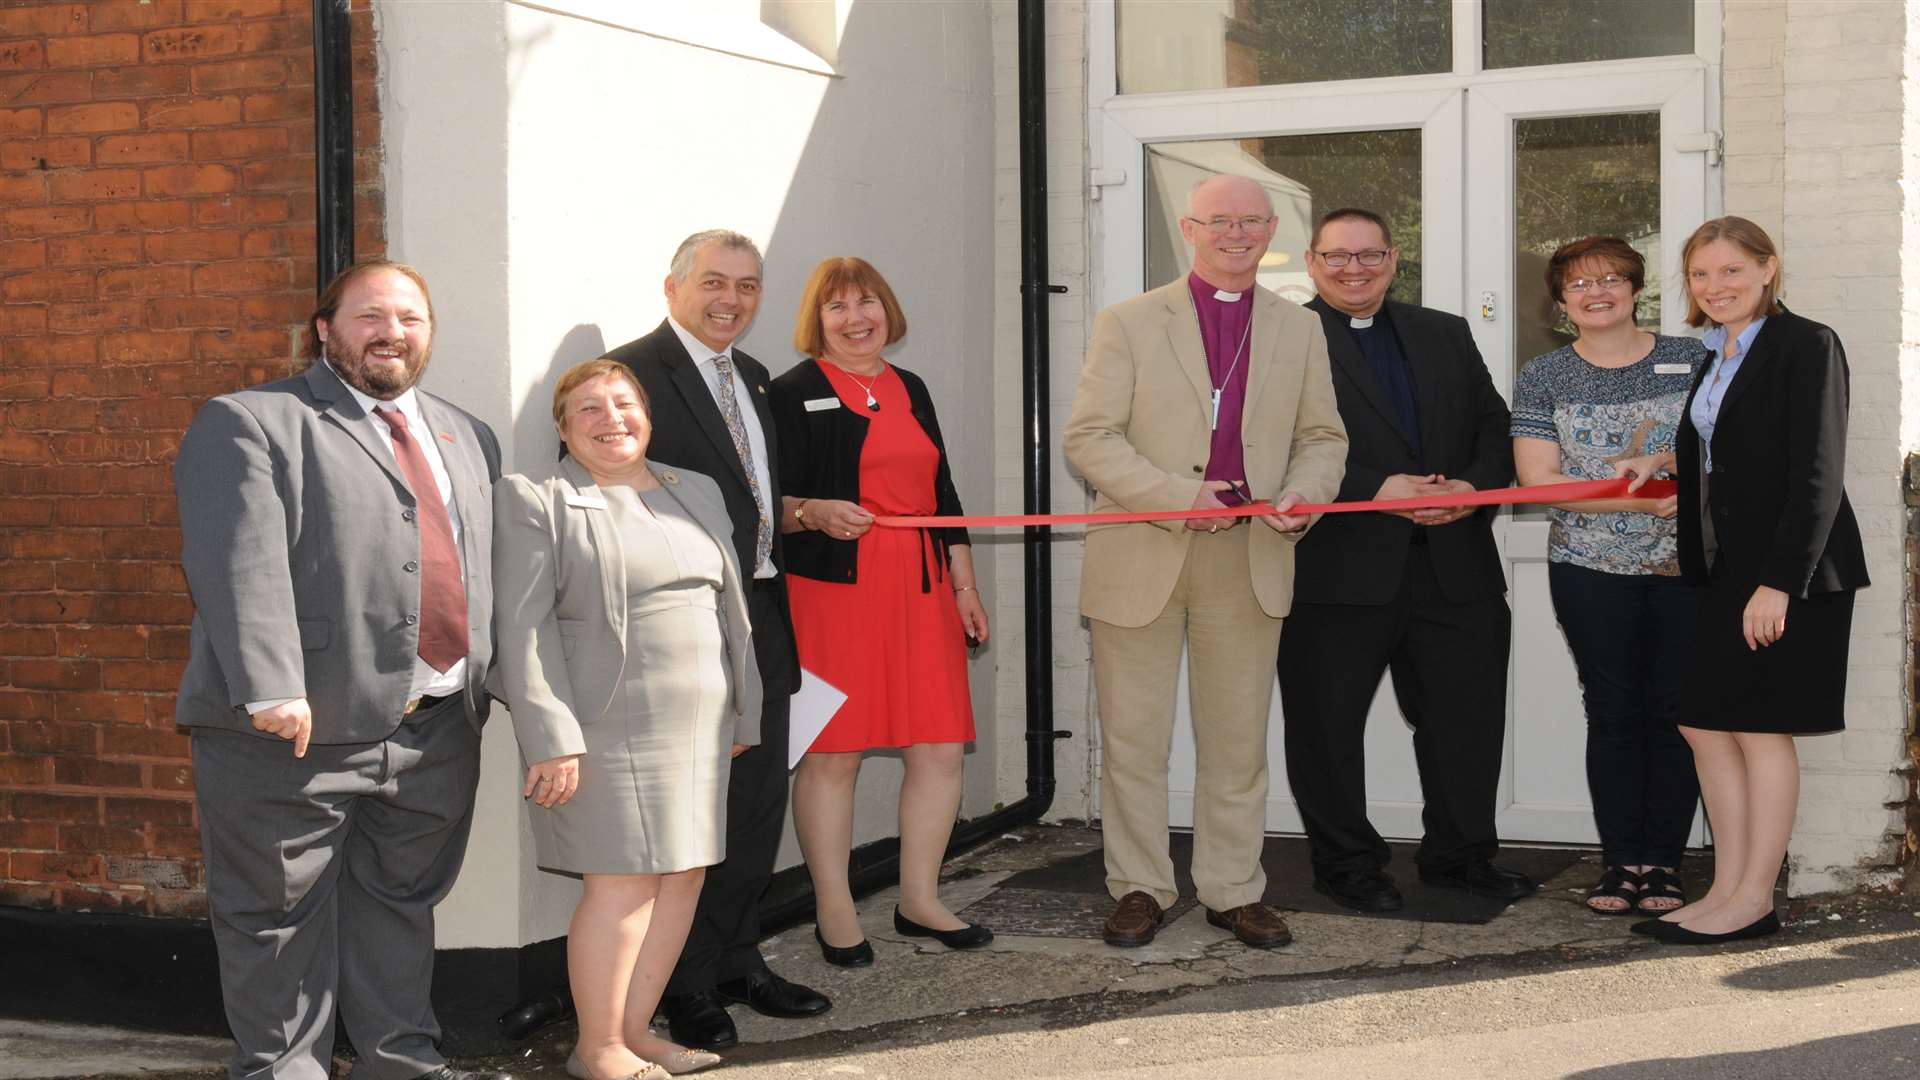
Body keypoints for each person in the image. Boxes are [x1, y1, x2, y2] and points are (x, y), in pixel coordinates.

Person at [175, 261, 509, 1080]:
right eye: (370, 316)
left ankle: (402, 1063)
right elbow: (237, 563)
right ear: (324, 329)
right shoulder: (252, 421)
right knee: (276, 921)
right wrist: (271, 685)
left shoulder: (469, 434)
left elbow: (480, 568)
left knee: (399, 910)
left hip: (435, 729)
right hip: (293, 730)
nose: (392, 332)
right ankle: (284, 1071)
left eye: (411, 317)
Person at [1064, 175, 1349, 950]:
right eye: (1220, 220)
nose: (1236, 233)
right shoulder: (1128, 321)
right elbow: (1089, 438)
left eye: (1252, 221)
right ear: (1189, 228)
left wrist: (1304, 493)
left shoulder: (1300, 328)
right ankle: (1140, 887)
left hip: (1251, 556)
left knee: (1236, 742)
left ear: (1271, 233)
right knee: (1133, 740)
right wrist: (1176, 495)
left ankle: (1231, 889)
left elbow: (1323, 438)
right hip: (1143, 550)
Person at [494, 360, 760, 1079]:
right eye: (588, 409)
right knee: (622, 883)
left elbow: (731, 610)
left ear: (647, 412)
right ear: (562, 428)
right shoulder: (534, 498)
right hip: (602, 726)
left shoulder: (695, 489)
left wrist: (747, 709)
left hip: (700, 724)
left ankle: (636, 1032)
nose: (611, 418)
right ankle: (597, 1048)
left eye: (623, 403)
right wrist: (549, 737)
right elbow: (521, 630)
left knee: (684, 875)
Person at [603, 231, 828, 1048]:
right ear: (673, 288)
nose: (729, 298)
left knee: (758, 803)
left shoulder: (758, 379)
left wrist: (803, 512)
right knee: (697, 812)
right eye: (712, 282)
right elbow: (609, 494)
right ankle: (684, 988)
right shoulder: (631, 377)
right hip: (687, 631)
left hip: (764, 617)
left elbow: (748, 498)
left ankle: (738, 957)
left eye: (747, 285)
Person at [1617, 216, 1868, 945]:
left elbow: (1816, 472)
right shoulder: (1715, 351)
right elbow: (1729, 441)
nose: (1715, 286)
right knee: (1703, 720)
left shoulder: (1806, 343)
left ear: (1767, 269)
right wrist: (1665, 462)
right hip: (1724, 568)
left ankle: (1754, 898)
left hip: (1790, 571)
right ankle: (1726, 887)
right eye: (1701, 274)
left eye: (1731, 271)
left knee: (1759, 729)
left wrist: (1779, 584)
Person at [1277, 207, 1531, 914]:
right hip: (1337, 570)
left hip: (1455, 564)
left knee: (1466, 722)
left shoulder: (1443, 332)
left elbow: (1492, 423)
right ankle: (1346, 864)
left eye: (1368, 255)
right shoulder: (1281, 338)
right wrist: (1372, 490)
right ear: (1312, 262)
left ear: (1393, 260)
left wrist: (1474, 491)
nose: (1353, 269)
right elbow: (1264, 445)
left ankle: (1460, 857)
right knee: (1326, 729)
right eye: (1337, 257)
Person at [768, 257, 993, 967]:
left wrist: (965, 587)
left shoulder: (909, 387)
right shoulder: (793, 392)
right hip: (836, 594)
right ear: (816, 321)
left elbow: (944, 496)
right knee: (834, 755)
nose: (856, 317)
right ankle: (834, 907)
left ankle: (918, 899)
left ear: (887, 312)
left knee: (937, 746)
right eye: (837, 307)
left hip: (923, 590)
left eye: (868, 302)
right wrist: (810, 514)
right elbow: (765, 505)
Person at [1509, 236, 1706, 916]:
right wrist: (1643, 499)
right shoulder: (1543, 375)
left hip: (1689, 570)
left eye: (1612, 279)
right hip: (1590, 571)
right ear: (1561, 301)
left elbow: (1726, 454)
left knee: (1678, 713)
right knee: (1615, 713)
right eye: (1580, 284)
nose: (1598, 292)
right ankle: (1622, 864)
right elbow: (1539, 481)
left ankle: (1666, 866)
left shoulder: (1693, 359)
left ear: (1635, 288)